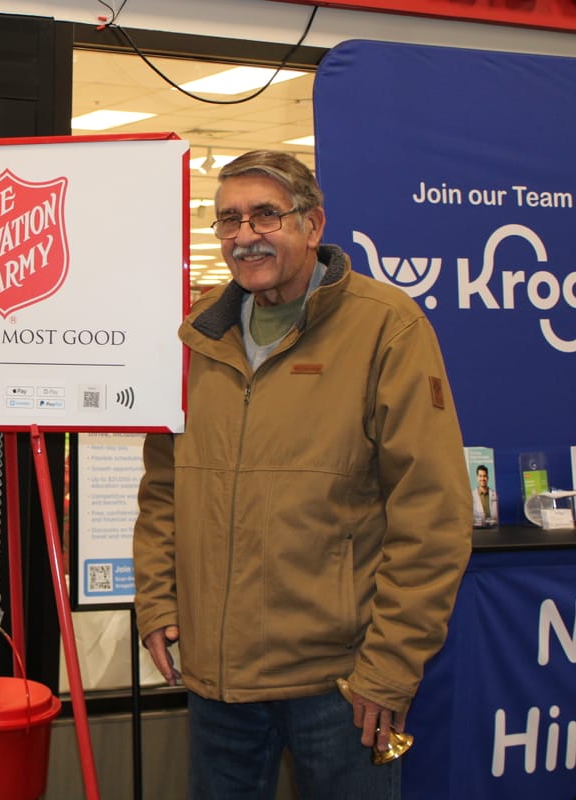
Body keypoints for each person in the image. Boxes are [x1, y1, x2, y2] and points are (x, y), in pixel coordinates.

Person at [133, 151, 472, 799]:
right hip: (215, 682)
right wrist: (158, 602)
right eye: (227, 220)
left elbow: (432, 517)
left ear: (312, 225)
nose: (244, 234)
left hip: (341, 687)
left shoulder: (386, 329)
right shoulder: (196, 338)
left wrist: (390, 668)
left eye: (266, 214)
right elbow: (162, 493)